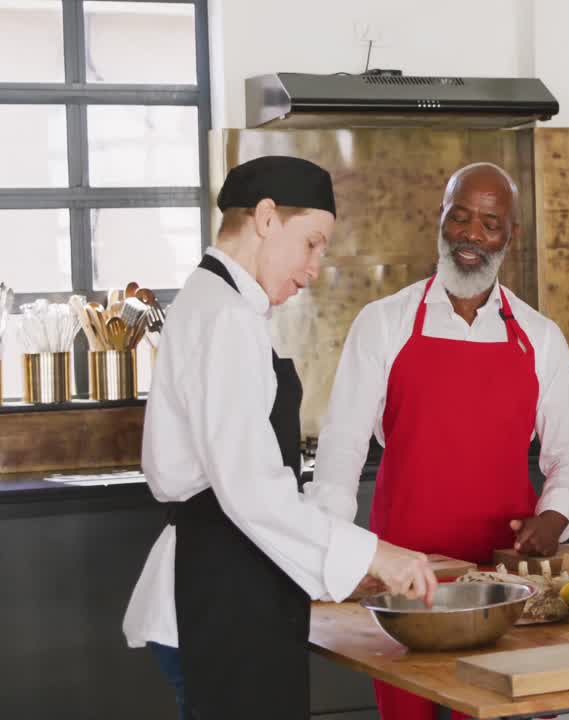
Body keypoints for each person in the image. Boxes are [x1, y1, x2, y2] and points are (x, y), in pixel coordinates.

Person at [123, 155, 437, 720]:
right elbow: (251, 491)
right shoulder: (227, 319)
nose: (316, 268)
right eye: (312, 243)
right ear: (266, 218)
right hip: (222, 592)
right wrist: (377, 554)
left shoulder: (213, 302)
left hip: (225, 586)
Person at [310, 162, 569, 720]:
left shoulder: (538, 336)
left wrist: (555, 516)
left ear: (509, 238)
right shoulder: (384, 322)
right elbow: (341, 452)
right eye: (459, 217)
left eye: (490, 224)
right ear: (440, 220)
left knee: (503, 708)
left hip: (505, 586)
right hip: (402, 580)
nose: (471, 235)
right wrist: (336, 559)